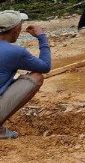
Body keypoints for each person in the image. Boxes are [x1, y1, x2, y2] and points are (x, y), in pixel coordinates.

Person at [0, 10, 51, 139]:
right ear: (16, 31)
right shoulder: (15, 52)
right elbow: (45, 66)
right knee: (36, 77)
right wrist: (42, 37)